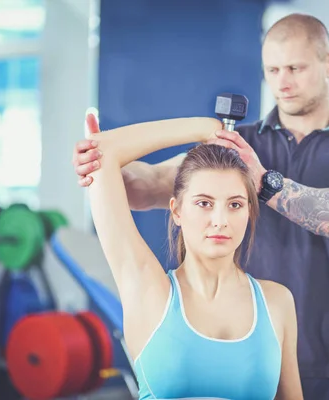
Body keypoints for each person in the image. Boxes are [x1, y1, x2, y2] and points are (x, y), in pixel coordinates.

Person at [74, 13, 329, 400]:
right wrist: (96, 163)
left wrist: (263, 181)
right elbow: (143, 186)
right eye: (273, 69)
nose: (282, 81)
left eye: (295, 68)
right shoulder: (233, 144)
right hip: (252, 353)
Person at [80, 113, 303, 399]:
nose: (220, 220)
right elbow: (103, 152)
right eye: (204, 203)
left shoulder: (277, 302)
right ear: (177, 211)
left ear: (249, 211)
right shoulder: (149, 291)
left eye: (235, 204)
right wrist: (207, 128)